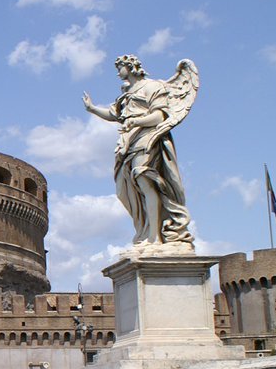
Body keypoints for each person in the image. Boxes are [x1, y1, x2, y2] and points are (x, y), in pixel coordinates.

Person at [83, 55, 198, 247]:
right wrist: (92, 108)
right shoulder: (127, 92)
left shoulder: (153, 87)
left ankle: (155, 237)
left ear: (129, 67)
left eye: (119, 68)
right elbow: (114, 114)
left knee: (144, 180)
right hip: (129, 141)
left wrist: (136, 121)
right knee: (125, 189)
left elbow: (159, 116)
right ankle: (145, 232)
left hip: (148, 137)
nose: (118, 72)